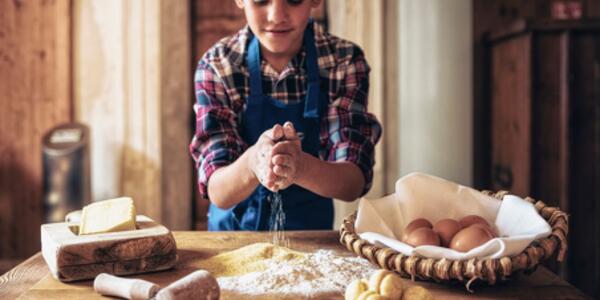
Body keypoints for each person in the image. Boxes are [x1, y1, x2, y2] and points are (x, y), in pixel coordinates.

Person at [189, 0, 382, 231]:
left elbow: (353, 183)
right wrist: (253, 162)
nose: (277, 15)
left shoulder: (343, 62)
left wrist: (300, 166)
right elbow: (218, 191)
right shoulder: (218, 66)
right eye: (261, 0)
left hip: (310, 239)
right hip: (232, 238)